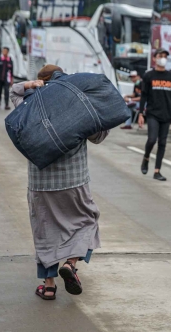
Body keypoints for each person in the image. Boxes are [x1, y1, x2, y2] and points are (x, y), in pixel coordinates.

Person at [10, 64, 108, 301]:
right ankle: (71, 264)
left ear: (41, 81)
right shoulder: (76, 104)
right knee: (87, 222)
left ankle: (50, 285)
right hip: (74, 180)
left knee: (45, 232)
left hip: (40, 183)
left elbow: (13, 91)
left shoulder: (30, 103)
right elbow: (99, 135)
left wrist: (32, 85)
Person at [138, 48, 171, 181]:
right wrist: (140, 114)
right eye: (160, 56)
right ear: (154, 58)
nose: (163, 58)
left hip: (166, 114)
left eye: (165, 56)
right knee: (152, 139)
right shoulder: (149, 76)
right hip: (152, 113)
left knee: (162, 143)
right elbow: (144, 96)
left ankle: (157, 171)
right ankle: (146, 157)